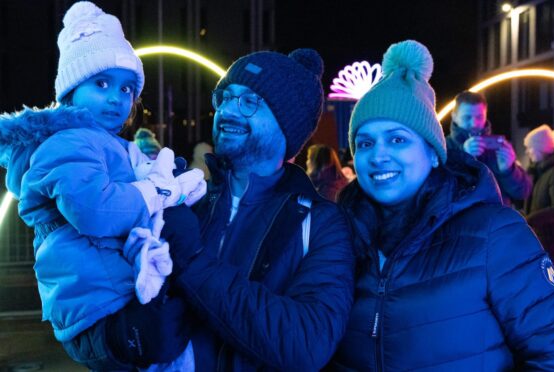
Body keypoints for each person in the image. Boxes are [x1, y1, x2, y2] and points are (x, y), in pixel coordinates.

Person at [103, 48, 355, 370]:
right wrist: (123, 337)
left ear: (287, 126)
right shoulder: (189, 203)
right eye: (224, 97)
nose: (228, 111)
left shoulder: (321, 223)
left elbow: (306, 343)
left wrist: (193, 261)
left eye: (249, 101)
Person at [329, 40, 554, 370]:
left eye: (397, 139)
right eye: (365, 143)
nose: (378, 155)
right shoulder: (339, 238)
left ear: (433, 154)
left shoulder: (495, 234)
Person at [0, 2, 206, 369]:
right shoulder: (67, 142)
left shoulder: (106, 143)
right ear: (71, 90)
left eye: (127, 88)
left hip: (111, 299)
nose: (116, 97)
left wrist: (173, 184)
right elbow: (95, 210)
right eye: (101, 83)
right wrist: (156, 191)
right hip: (98, 310)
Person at [447, 90, 532, 206]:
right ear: (454, 116)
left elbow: (523, 192)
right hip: (460, 221)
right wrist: (463, 156)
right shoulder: (444, 146)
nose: (474, 123)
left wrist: (508, 170)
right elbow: (440, 191)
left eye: (479, 117)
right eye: (467, 117)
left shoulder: (498, 147)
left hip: (496, 220)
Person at [523, 124, 554, 264]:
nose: (527, 152)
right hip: (539, 243)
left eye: (529, 147)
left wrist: (530, 220)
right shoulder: (535, 173)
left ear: (541, 147)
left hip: (552, 245)